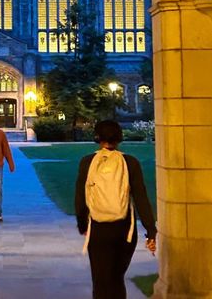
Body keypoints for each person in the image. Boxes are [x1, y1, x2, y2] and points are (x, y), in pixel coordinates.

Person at [75, 120, 156, 299]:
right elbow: (141, 198)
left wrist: (82, 224)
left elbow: (80, 199)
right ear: (119, 137)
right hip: (124, 230)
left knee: (100, 280)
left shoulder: (87, 162)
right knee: (116, 278)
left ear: (97, 137)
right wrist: (151, 230)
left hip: (98, 228)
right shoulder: (130, 163)